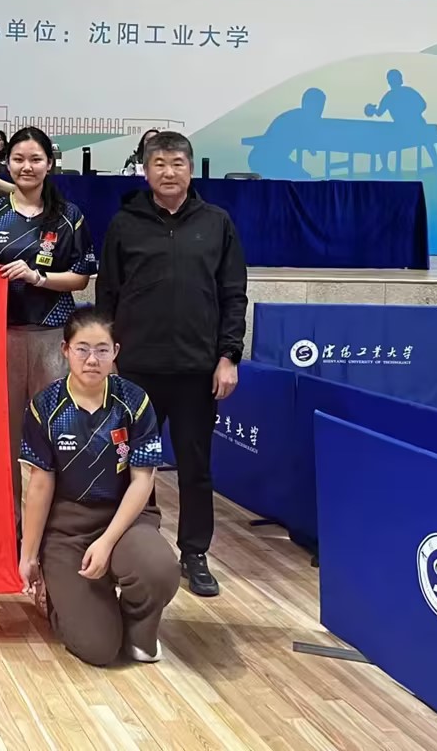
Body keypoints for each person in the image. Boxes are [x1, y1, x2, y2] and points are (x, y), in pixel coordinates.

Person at [95, 131, 247, 598]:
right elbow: (108, 295)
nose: (168, 172)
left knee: (195, 467)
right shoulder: (125, 224)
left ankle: (194, 553)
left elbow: (233, 295)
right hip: (135, 370)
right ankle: (136, 544)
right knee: (130, 464)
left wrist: (228, 357)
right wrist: (106, 357)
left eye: (177, 163)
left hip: (196, 371)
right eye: (158, 163)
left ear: (190, 168)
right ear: (145, 170)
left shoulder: (216, 223)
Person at [19, 310, 179, 666]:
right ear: (65, 350)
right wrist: (29, 556)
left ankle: (139, 627)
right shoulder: (44, 407)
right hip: (67, 528)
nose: (92, 359)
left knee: (160, 570)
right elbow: (40, 486)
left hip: (125, 519)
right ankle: (62, 595)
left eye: (102, 350)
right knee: (98, 649)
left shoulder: (134, 402)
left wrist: (106, 543)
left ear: (115, 351)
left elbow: (143, 480)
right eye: (82, 349)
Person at [0, 126, 97, 515]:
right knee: (4, 437)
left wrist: (38, 277)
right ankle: (9, 523)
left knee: (57, 431)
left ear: (49, 164)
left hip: (52, 336)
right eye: (19, 159)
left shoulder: (68, 217)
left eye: (35, 159)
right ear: (6, 164)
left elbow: (81, 277)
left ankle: (58, 523)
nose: (27, 167)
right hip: (1, 336)